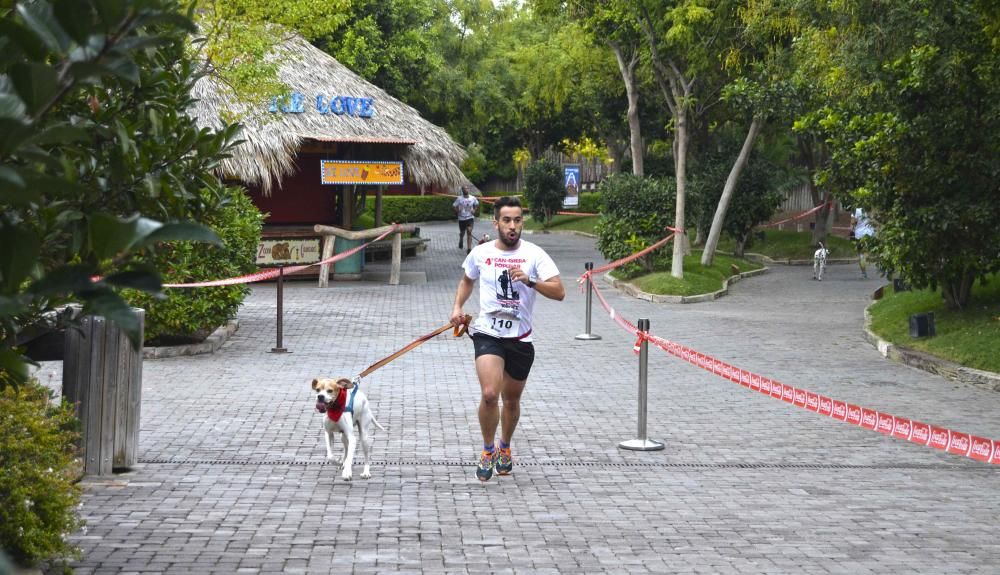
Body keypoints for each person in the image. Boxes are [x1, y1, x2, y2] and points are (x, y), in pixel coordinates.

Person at [450, 196, 565, 481]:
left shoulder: (534, 254)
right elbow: (467, 280)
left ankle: (505, 446)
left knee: (510, 401)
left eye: (517, 220)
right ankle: (488, 449)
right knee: (490, 394)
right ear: (496, 223)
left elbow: (559, 291)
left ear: (522, 222)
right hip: (488, 332)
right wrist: (457, 308)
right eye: (506, 220)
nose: (512, 226)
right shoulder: (481, 253)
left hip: (521, 339)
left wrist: (530, 281)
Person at [452, 186, 479, 254]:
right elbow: (454, 206)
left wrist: (474, 210)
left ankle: (469, 249)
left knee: (469, 232)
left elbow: (477, 204)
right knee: (462, 232)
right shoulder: (459, 198)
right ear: (462, 190)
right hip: (461, 218)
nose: (466, 190)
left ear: (468, 190)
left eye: (467, 188)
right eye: (464, 189)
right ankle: (461, 239)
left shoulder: (472, 198)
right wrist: (458, 210)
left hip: (470, 218)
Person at [851, 207, 875, 279]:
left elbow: (853, 222)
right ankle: (865, 257)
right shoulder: (870, 209)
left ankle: (864, 273)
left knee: (860, 254)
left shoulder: (855, 210)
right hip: (869, 234)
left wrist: (854, 224)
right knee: (866, 251)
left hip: (859, 235)